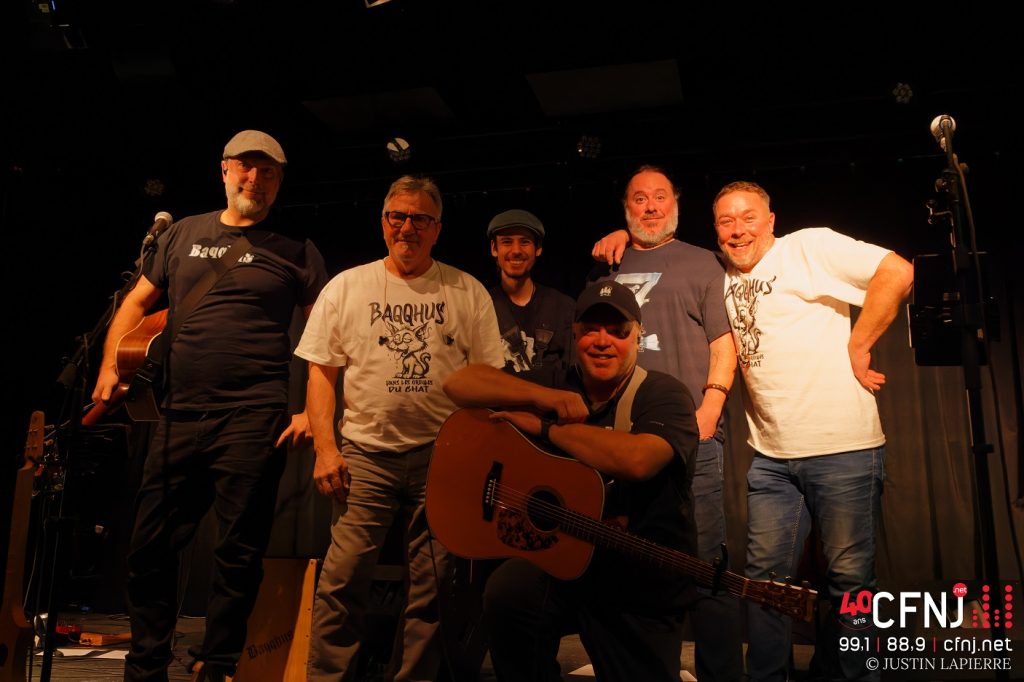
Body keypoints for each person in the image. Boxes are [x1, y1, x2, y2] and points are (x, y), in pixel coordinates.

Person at [91, 130, 329, 682]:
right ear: (224, 170)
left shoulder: (297, 248)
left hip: (253, 416)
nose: (256, 180)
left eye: (268, 172)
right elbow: (136, 302)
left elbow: (327, 337)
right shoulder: (181, 234)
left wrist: (309, 412)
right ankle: (146, 665)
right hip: (176, 414)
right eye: (246, 167)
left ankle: (218, 663)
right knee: (150, 548)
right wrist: (109, 366)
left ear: (279, 182)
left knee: (237, 552)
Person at [295, 175, 505, 681]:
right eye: (398, 216)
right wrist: (326, 449)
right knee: (342, 577)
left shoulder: (467, 291)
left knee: (434, 585)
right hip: (365, 456)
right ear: (383, 222)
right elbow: (321, 374)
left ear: (437, 229)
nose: (407, 227)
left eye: (420, 219)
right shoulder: (346, 287)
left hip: (442, 457)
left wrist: (474, 456)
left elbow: (488, 381)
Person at [442, 280, 699, 682]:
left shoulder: (664, 394)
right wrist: (541, 397)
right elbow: (457, 384)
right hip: (564, 568)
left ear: (638, 337)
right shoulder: (555, 381)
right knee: (509, 591)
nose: (603, 341)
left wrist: (548, 428)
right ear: (574, 335)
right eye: (591, 330)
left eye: (618, 331)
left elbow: (637, 461)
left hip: (639, 582)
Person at [711, 181, 914, 681]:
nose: (738, 230)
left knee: (849, 582)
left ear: (771, 221)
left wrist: (859, 345)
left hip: (843, 450)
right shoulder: (719, 275)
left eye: (749, 217)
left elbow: (897, 271)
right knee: (764, 585)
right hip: (770, 459)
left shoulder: (807, 247)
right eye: (726, 221)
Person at [590, 166, 743, 680]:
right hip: (619, 444)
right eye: (639, 199)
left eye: (660, 197)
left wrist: (709, 412)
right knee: (627, 564)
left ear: (676, 203)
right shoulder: (605, 266)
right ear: (626, 208)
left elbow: (724, 343)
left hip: (690, 440)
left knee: (705, 566)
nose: (651, 206)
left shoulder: (705, 262)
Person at [486, 208, 575, 375]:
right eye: (506, 242)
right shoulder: (481, 307)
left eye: (525, 242)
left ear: (538, 248)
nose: (516, 250)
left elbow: (574, 373)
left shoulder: (564, 307)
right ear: (494, 248)